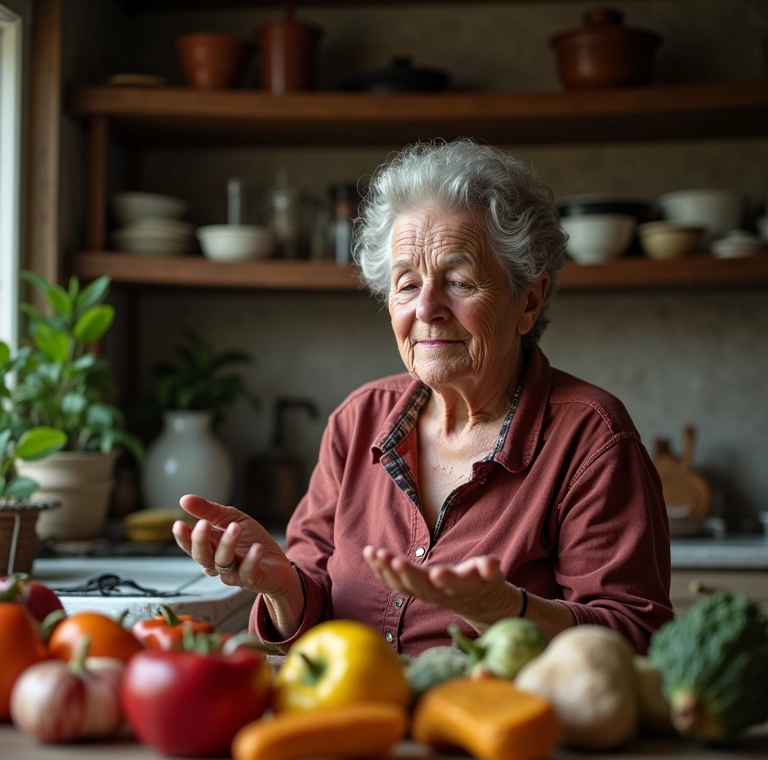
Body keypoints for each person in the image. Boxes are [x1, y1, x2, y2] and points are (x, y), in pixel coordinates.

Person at [173, 139, 673, 656]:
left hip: (500, 727)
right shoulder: (357, 421)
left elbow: (637, 637)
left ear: (529, 299)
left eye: (458, 281)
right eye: (407, 285)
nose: (428, 308)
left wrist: (507, 612)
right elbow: (317, 603)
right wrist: (283, 586)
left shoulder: (592, 437)